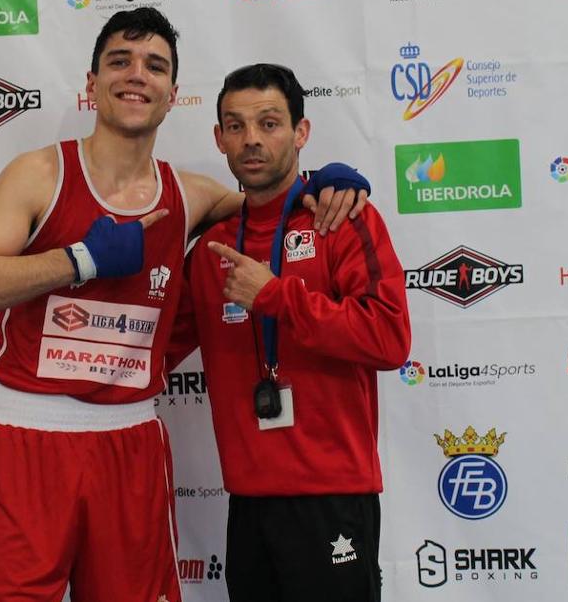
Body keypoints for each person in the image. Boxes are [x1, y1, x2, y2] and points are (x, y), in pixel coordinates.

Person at [0, 8, 367, 602]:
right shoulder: (40, 175)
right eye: (120, 61)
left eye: (154, 66)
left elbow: (268, 200)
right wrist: (81, 259)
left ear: (171, 97)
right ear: (91, 84)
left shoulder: (189, 195)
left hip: (130, 438)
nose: (137, 75)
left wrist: (325, 183)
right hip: (31, 434)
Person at [167, 63, 411, 602]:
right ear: (219, 139)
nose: (252, 139)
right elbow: (152, 351)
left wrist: (277, 297)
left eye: (270, 123)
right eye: (235, 126)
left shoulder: (341, 219)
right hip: (248, 503)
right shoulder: (211, 249)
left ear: (301, 133)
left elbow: (389, 337)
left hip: (331, 497)